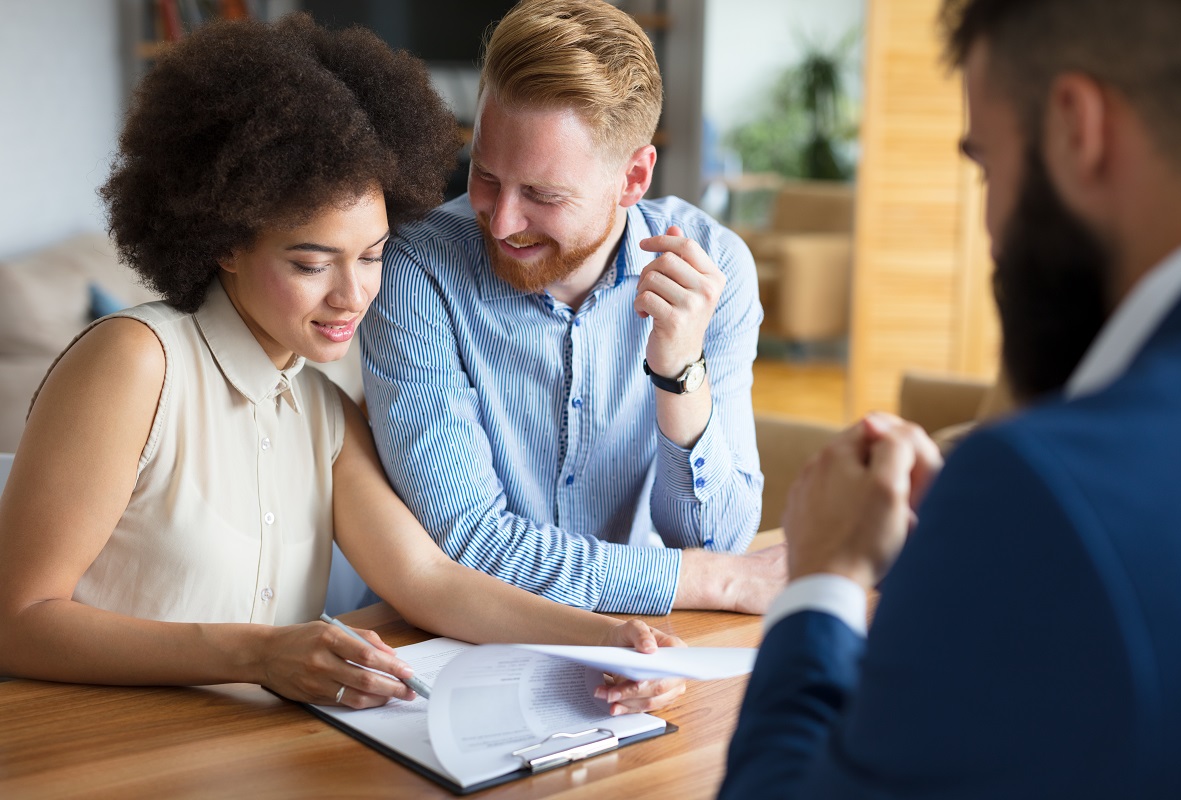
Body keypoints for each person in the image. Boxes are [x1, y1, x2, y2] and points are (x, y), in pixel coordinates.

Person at [0, 13, 685, 715]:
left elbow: (432, 581)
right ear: (225, 242)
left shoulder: (321, 410)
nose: (353, 296)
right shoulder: (136, 363)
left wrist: (613, 640)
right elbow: (17, 621)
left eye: (371, 256)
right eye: (310, 262)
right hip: (90, 760)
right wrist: (258, 654)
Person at [721, 0, 1181, 796]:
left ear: (1076, 128)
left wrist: (824, 578)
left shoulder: (1040, 490)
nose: (992, 232)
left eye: (985, 163)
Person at [359, 0, 785, 617]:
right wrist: (705, 582)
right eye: (483, 173)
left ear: (633, 180)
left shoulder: (712, 270)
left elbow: (716, 540)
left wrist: (678, 370)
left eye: (541, 194)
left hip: (642, 651)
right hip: (447, 647)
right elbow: (468, 549)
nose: (501, 221)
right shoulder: (418, 269)